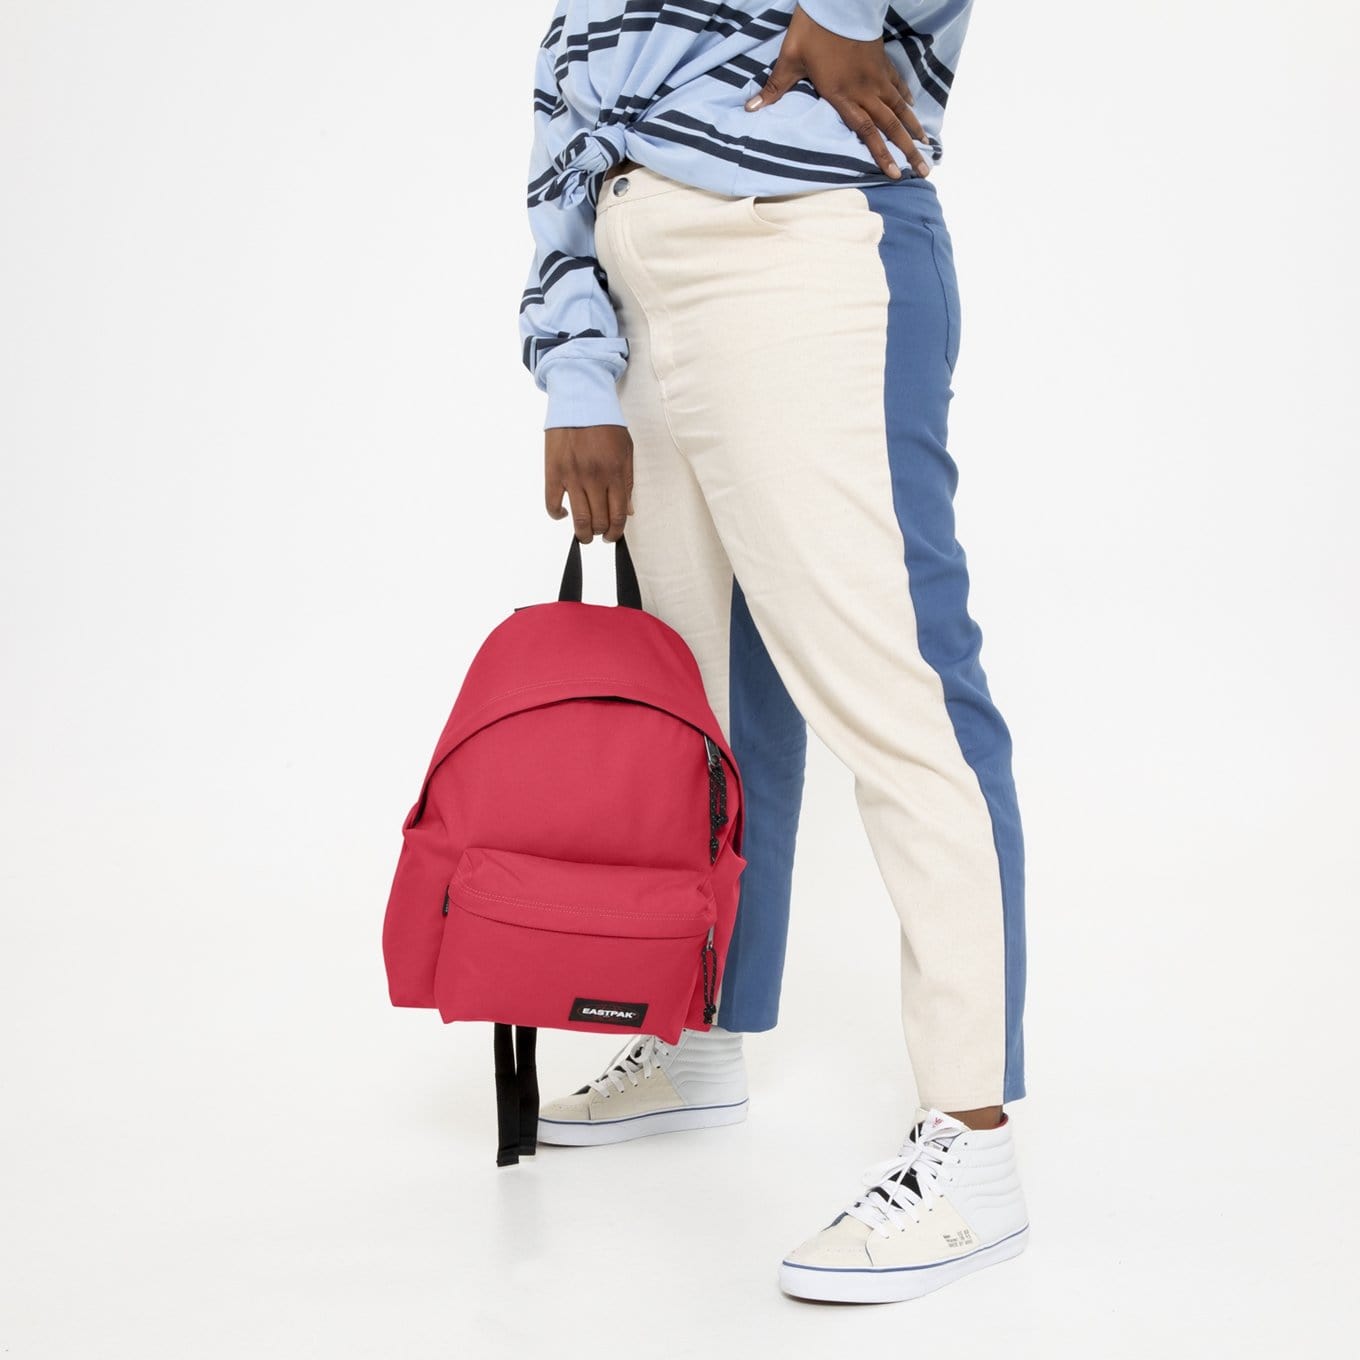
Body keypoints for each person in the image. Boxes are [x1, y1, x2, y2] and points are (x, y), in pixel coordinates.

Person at [518, 0, 1028, 1303]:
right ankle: (700, 1042)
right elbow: (566, 112)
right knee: (704, 709)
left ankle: (972, 1145)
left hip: (801, 245)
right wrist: (577, 372)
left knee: (899, 689)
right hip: (638, 286)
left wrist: (844, 14)